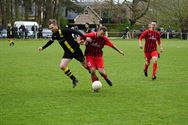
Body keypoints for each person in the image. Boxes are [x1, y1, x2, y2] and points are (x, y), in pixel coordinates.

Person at [38, 19, 88, 88]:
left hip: (76, 51)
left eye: (52, 28)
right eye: (50, 28)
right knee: (62, 66)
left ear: (56, 25)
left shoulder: (64, 30)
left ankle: (94, 76)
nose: (51, 29)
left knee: (86, 66)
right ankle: (74, 79)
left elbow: (75, 31)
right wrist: (43, 48)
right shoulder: (55, 34)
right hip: (68, 52)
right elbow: (50, 41)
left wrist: (84, 38)